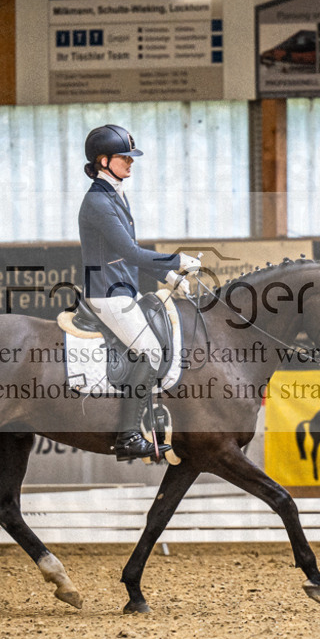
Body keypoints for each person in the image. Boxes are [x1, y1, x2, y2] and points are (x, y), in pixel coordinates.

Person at [78, 124, 200, 461]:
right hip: (106, 294)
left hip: (122, 290)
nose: (131, 163)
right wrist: (177, 259)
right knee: (151, 352)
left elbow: (125, 254)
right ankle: (129, 436)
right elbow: (130, 252)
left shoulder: (115, 194)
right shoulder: (98, 202)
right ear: (103, 160)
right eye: (124, 157)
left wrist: (168, 275)